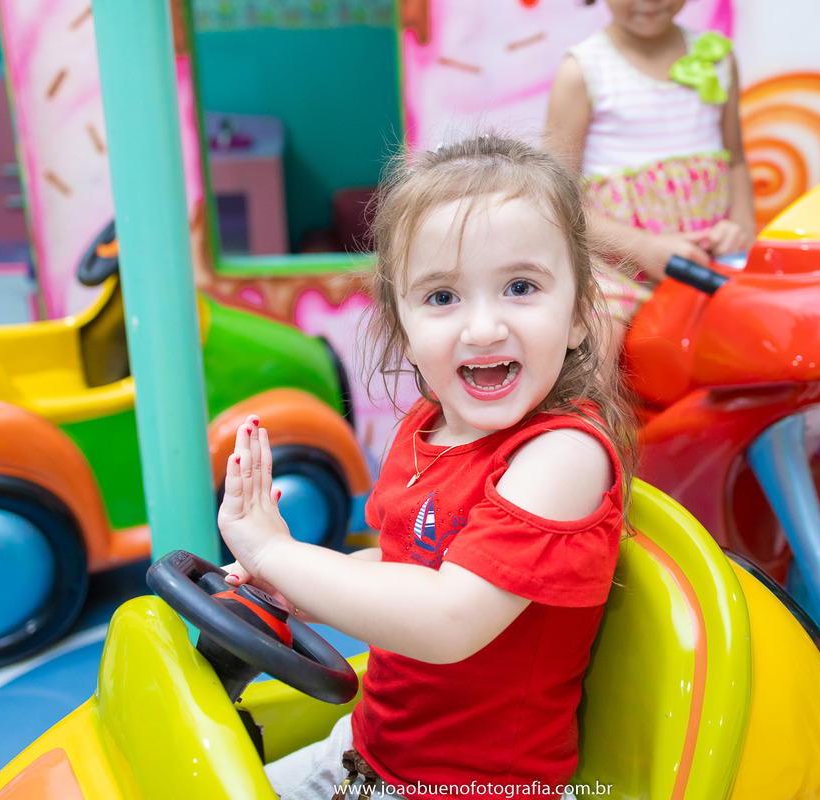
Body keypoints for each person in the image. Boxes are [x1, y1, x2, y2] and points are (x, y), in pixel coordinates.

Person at [217, 134, 635, 800]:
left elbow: (448, 620)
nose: (483, 328)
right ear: (404, 327)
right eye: (442, 297)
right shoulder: (426, 429)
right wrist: (294, 584)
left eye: (520, 287)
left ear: (581, 316)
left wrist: (274, 551)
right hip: (370, 749)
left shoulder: (562, 455)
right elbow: (403, 567)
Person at [544, 0, 756, 339]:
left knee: (752, 327)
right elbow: (557, 195)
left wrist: (740, 228)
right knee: (603, 338)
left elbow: (736, 161)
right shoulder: (582, 71)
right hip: (617, 268)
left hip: (707, 261)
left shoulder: (718, 58)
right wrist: (644, 247)